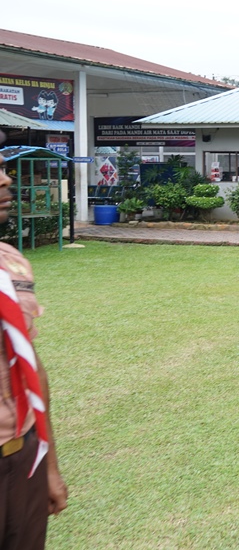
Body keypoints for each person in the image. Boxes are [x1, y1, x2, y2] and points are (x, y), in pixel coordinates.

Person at [0, 134, 69, 548]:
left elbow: (30, 366)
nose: (5, 181)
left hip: (22, 457)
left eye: (4, 167)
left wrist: (48, 464)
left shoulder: (11, 263)